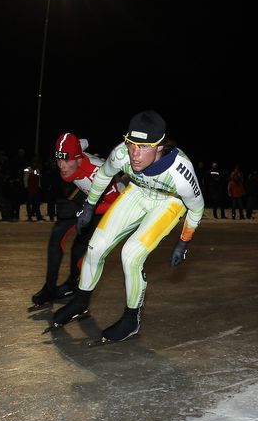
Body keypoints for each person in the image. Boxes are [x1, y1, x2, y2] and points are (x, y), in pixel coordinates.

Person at [49, 111, 205, 343]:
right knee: (95, 247)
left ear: (159, 147)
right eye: (132, 144)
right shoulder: (121, 153)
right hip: (137, 192)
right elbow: (103, 175)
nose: (134, 153)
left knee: (130, 256)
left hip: (168, 203)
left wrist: (184, 241)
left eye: (143, 147)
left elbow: (197, 207)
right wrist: (90, 205)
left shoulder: (180, 174)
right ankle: (80, 302)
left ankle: (131, 320)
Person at [30, 133, 122, 307]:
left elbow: (116, 205)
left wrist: (84, 209)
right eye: (58, 160)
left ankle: (74, 284)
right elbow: (82, 142)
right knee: (57, 234)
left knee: (80, 246)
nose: (61, 166)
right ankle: (49, 288)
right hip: (87, 195)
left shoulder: (96, 175)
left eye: (66, 161)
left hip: (106, 203)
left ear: (79, 159)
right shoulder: (75, 152)